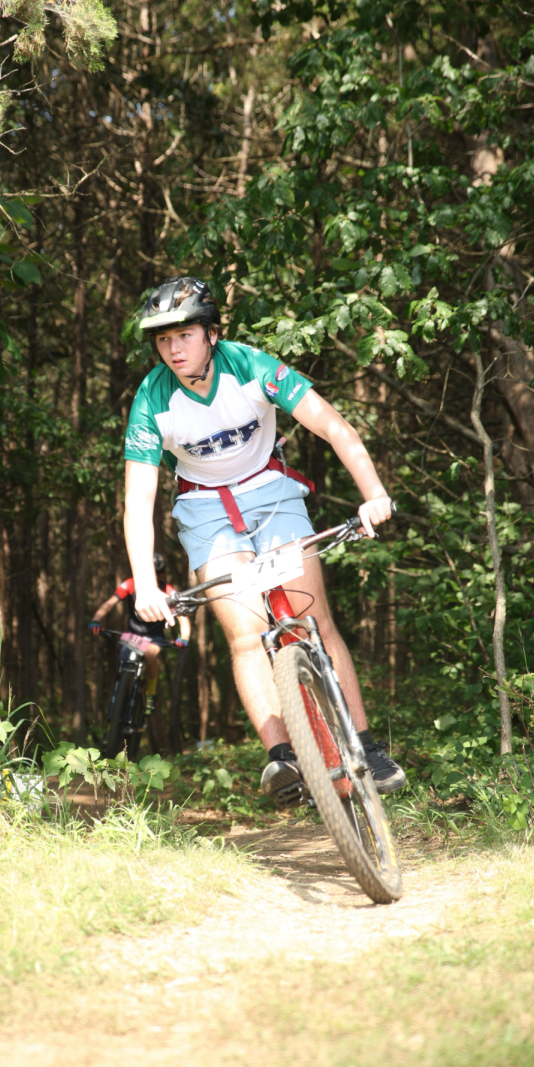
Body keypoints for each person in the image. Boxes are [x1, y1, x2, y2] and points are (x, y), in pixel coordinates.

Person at [122, 275, 406, 809]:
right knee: (247, 633)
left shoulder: (252, 365)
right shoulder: (152, 399)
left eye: (183, 335)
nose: (173, 348)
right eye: (162, 340)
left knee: (311, 616)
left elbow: (334, 427)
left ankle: (368, 746)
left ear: (210, 333)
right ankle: (283, 757)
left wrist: (373, 495)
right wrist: (143, 583)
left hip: (272, 494)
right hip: (205, 511)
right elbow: (139, 500)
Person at [88, 552, 191, 714]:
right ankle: (118, 704)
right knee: (122, 663)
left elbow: (183, 619)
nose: (154, 577)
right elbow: (109, 603)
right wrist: (96, 620)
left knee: (150, 654)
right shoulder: (130, 584)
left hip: (155, 638)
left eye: (157, 574)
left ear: (161, 575)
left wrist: (183, 638)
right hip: (133, 635)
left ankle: (150, 692)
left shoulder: (167, 589)